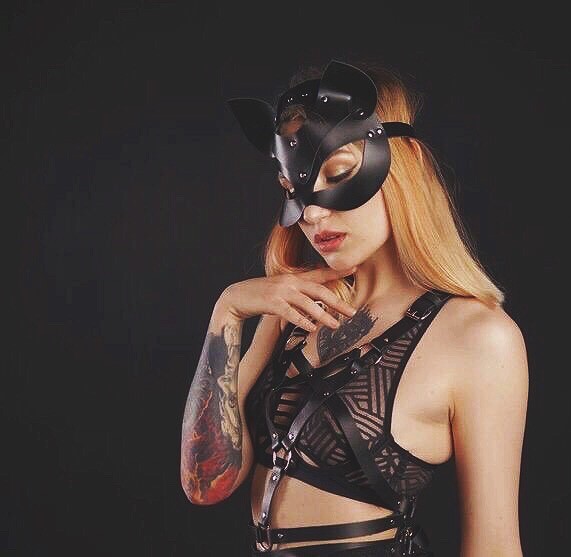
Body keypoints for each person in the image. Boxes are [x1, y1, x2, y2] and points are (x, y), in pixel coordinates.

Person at [180, 59, 529, 556]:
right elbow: (205, 483)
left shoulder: (478, 337)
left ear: (404, 168)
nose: (311, 211)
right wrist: (228, 312)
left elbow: (494, 544)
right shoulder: (294, 309)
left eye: (339, 173)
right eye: (292, 189)